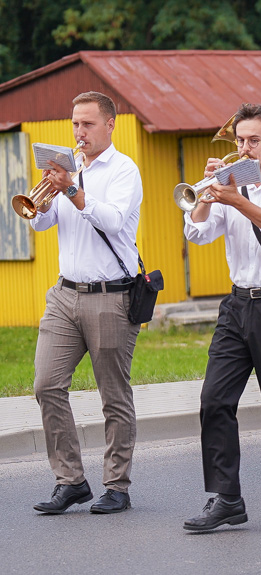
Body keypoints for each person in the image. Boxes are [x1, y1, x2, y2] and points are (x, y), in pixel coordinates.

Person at [182, 104, 261, 534]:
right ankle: (227, 498)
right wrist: (206, 196)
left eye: (253, 140)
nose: (244, 147)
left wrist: (238, 199)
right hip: (237, 305)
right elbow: (197, 233)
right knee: (213, 401)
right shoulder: (230, 182)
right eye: (239, 140)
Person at [30, 91, 143, 515]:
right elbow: (43, 222)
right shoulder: (67, 169)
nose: (80, 132)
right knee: (46, 385)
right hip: (64, 294)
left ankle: (117, 485)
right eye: (76, 124)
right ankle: (71, 480)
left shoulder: (124, 171)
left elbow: (113, 221)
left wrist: (74, 189)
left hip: (110, 296)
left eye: (88, 124)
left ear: (110, 124)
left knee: (113, 394)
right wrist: (44, 194)